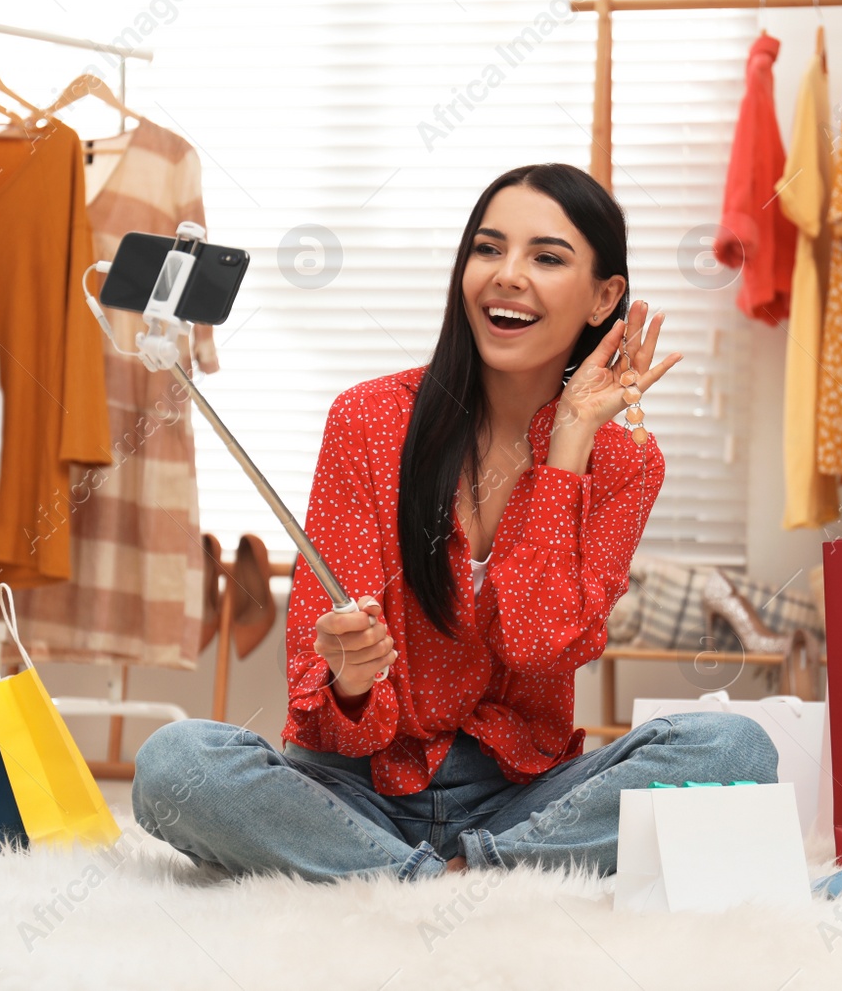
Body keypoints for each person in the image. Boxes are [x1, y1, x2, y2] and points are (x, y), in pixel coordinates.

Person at [132, 163, 778, 882]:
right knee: (174, 764)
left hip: (521, 797)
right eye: (488, 248)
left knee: (736, 748)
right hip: (354, 788)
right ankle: (446, 879)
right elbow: (319, 696)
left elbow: (537, 645)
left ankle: (438, 870)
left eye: (546, 257)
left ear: (605, 297)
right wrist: (348, 677)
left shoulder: (624, 461)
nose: (507, 274)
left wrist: (566, 447)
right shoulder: (368, 419)